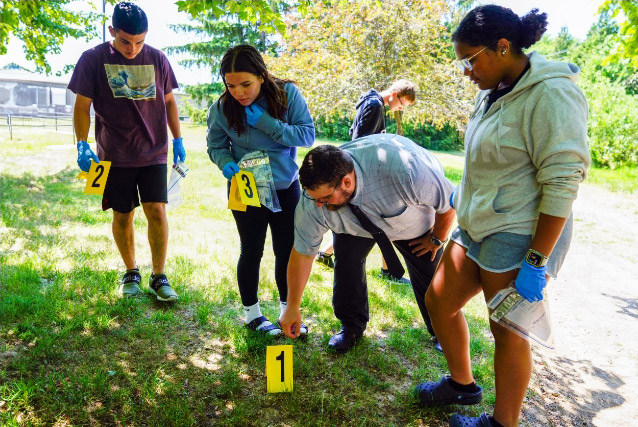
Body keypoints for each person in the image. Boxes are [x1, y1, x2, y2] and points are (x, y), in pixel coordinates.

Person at [415, 6, 590, 427]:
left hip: (520, 231)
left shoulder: (552, 93)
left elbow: (564, 182)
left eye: (471, 59)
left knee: (507, 330)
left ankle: (502, 423)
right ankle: (461, 384)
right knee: (439, 300)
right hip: (478, 220)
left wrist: (536, 260)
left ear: (503, 46)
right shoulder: (491, 89)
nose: (466, 71)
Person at [278, 134, 456, 353]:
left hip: (412, 223)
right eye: (313, 198)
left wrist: (437, 238)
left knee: (433, 277)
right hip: (354, 225)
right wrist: (292, 306)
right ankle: (351, 327)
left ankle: (443, 331)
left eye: (324, 199)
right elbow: (303, 253)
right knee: (346, 265)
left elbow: (449, 201)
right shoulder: (313, 201)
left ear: (346, 182)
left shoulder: (403, 169)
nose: (318, 206)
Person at [69, 2, 184, 301]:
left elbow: (170, 101)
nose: (133, 49)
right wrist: (82, 144)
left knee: (156, 211)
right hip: (114, 153)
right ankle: (131, 271)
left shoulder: (158, 58)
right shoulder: (93, 59)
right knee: (123, 215)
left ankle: (158, 277)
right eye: (125, 41)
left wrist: (178, 140)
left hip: (154, 150)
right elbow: (82, 106)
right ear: (112, 31)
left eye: (139, 42)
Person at [206, 45, 315, 336]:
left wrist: (267, 123)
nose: (239, 93)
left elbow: (306, 135)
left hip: (285, 187)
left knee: (286, 251)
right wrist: (225, 162)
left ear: (262, 76)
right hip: (246, 189)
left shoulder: (287, 94)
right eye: (231, 85)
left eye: (246, 84)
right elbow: (215, 146)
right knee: (251, 250)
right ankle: (252, 315)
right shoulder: (221, 108)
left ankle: (286, 311)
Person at [315, 80, 416, 285]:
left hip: (365, 169)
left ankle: (325, 254)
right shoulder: (375, 105)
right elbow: (360, 140)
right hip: (363, 170)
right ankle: (388, 271)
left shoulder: (373, 102)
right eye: (402, 104)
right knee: (376, 217)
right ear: (395, 94)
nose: (400, 109)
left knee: (367, 218)